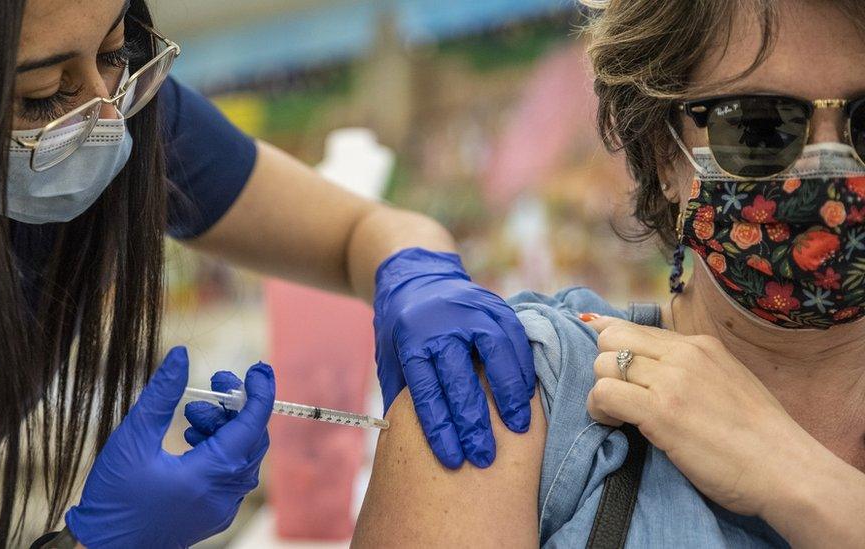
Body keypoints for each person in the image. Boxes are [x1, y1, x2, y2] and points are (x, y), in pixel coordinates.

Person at [0, 0, 537, 546]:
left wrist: (418, 269)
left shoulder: (126, 107)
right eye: (41, 96)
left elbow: (359, 230)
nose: (108, 118)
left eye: (115, 51)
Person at [353, 1, 865, 547]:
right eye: (760, 127)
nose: (832, 169)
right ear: (662, 152)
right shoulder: (521, 394)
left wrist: (800, 480)